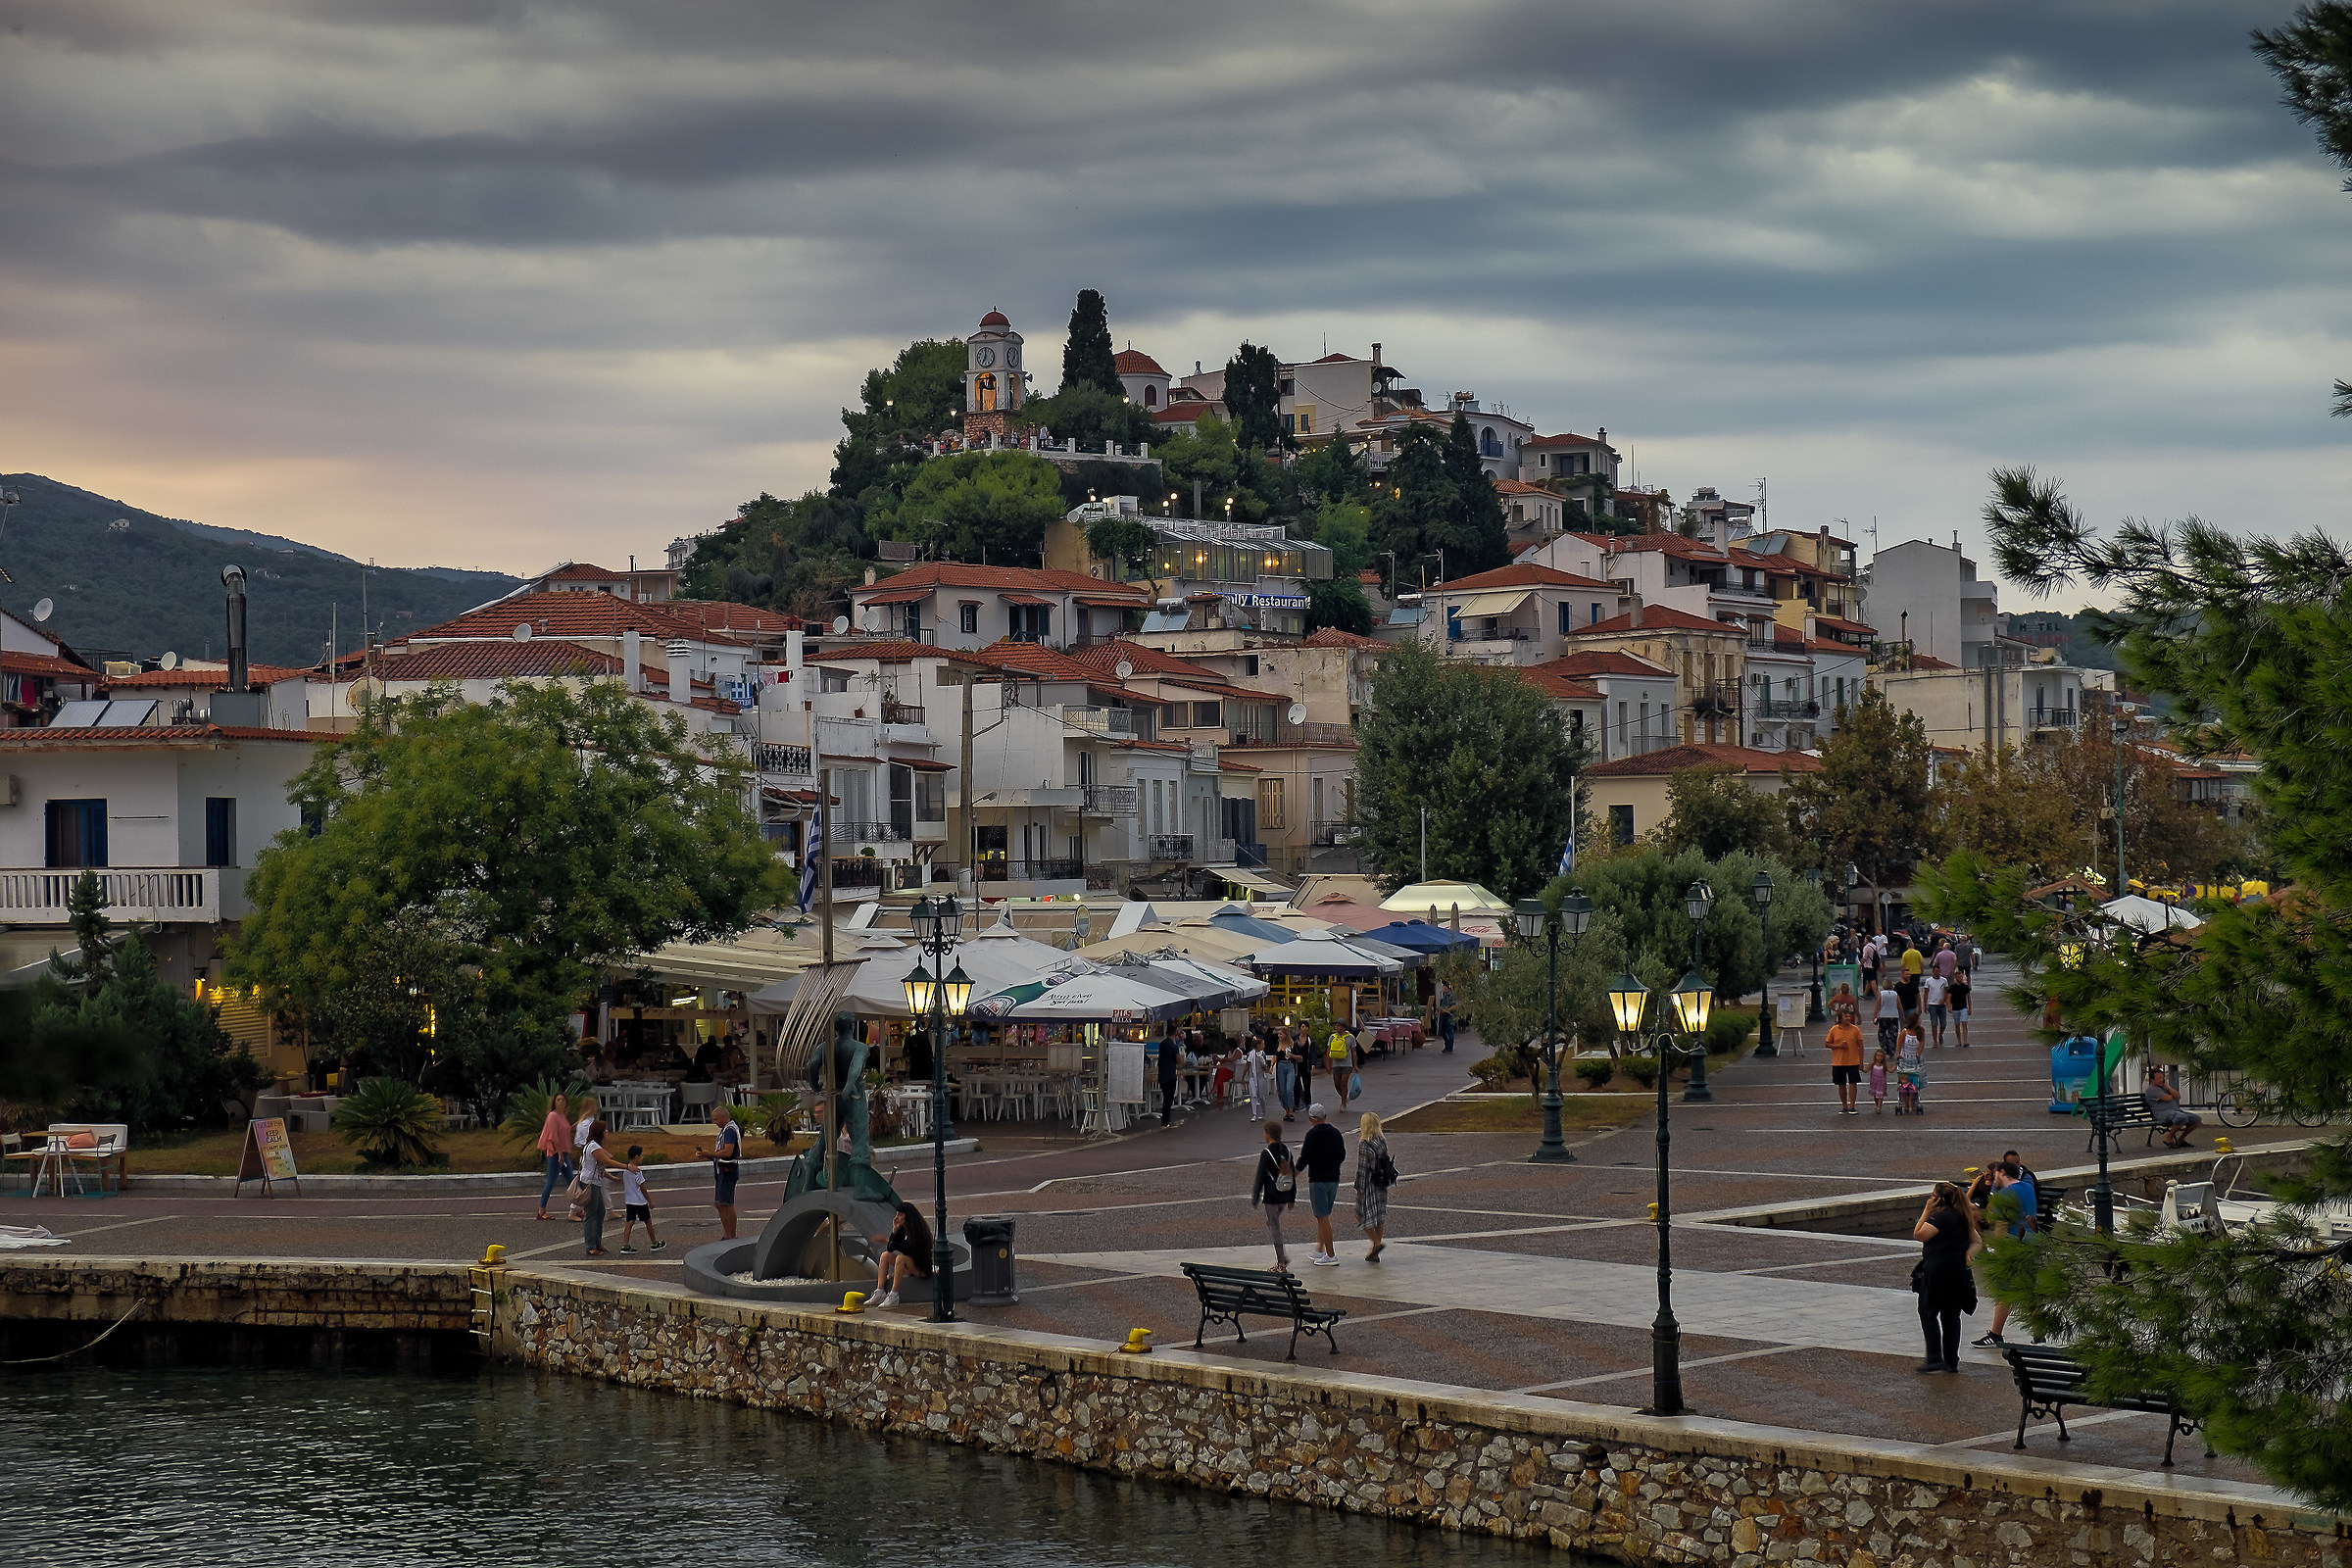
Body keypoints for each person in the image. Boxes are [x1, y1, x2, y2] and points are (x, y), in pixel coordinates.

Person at [1910, 1181, 1982, 1373]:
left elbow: (1919, 1234)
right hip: (1958, 1273)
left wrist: (1926, 1211)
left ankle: (1934, 1358)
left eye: (1933, 1195)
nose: (1930, 1198)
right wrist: (1969, 1253)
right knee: (1951, 1317)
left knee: (1928, 1312)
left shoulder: (1940, 1218)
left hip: (1937, 1272)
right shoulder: (1962, 1216)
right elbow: (1977, 1241)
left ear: (1939, 1198)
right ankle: (1951, 1361)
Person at [1972, 1161, 2040, 1348]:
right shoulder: (2027, 1186)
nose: (1993, 1180)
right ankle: (2040, 1334)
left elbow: (2001, 1225)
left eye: (1995, 1175)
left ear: (2002, 1172)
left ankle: (1995, 1334)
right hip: (2032, 1240)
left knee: (2004, 1291)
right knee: (2031, 1288)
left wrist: (1997, 1251)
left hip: (2013, 1242)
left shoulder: (2005, 1194)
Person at [1298, 1102, 1347, 1266]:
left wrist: (1293, 1174)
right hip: (1334, 1178)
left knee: (1322, 1216)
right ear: (1325, 1117)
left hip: (1318, 1179)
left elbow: (1304, 1158)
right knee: (1324, 1215)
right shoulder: (1335, 1133)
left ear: (1311, 1119)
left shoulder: (1312, 1135)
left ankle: (1331, 1254)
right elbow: (1342, 1155)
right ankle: (1320, 1248)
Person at [1250, 1121, 1298, 1271]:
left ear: (1268, 1134)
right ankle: (1282, 1257)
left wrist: (1256, 1196)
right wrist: (1292, 1197)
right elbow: (1292, 1174)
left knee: (1275, 1228)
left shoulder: (1266, 1153)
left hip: (1272, 1195)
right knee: (1272, 1222)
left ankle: (1281, 1262)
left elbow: (1261, 1176)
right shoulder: (1287, 1151)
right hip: (1285, 1193)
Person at [869, 1201, 933, 1308]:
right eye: (897, 1214)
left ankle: (894, 1295)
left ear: (908, 1217)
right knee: (885, 1255)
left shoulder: (918, 1231)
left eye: (900, 1214)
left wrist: (886, 1240)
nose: (897, 1217)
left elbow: (908, 1249)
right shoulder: (903, 1229)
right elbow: (890, 1248)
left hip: (921, 1267)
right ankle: (880, 1291)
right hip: (911, 1265)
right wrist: (894, 1231)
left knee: (900, 1258)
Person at [701, 1102, 743, 1239]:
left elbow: (727, 1152)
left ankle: (731, 1235)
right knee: (719, 1204)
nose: (715, 1123)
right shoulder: (725, 1130)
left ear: (724, 1117)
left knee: (727, 1203)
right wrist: (708, 1155)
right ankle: (727, 1233)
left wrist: (711, 1154)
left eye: (716, 1119)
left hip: (727, 1171)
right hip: (721, 1171)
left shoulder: (730, 1130)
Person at [578, 1118, 617, 1257]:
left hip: (595, 1182)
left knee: (600, 1212)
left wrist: (612, 1178)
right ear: (600, 1132)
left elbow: (600, 1168)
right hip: (589, 1183)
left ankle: (597, 1242)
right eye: (605, 1129)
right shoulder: (593, 1147)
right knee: (591, 1214)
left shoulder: (596, 1146)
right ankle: (590, 1246)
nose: (607, 1132)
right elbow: (606, 1161)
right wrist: (627, 1167)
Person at [615, 1146, 665, 1254]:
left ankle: (626, 1244)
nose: (642, 1158)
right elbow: (642, 1187)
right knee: (648, 1221)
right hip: (640, 1201)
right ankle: (654, 1242)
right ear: (636, 1156)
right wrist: (650, 1200)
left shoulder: (626, 1170)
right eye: (641, 1156)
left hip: (629, 1201)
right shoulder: (637, 1171)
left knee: (629, 1222)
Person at [2143, 1065, 2203, 1149]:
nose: (2161, 1079)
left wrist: (2168, 1088)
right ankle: (2169, 1138)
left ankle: (2181, 1139)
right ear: (2152, 1080)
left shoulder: (2165, 1088)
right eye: (2158, 1078)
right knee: (2181, 1117)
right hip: (2162, 1113)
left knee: (2196, 1119)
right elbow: (2168, 1098)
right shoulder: (2151, 1090)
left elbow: (2178, 1096)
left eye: (2162, 1077)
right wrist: (2170, 1093)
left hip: (2175, 1111)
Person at [535, 1091, 573, 1221]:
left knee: (572, 1181)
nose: (561, 1102)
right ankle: (541, 1210)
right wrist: (560, 1154)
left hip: (563, 1153)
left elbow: (564, 1131)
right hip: (555, 1154)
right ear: (554, 1102)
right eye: (558, 1099)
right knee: (551, 1182)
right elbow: (553, 1136)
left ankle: (576, 1208)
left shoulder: (562, 1115)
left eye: (563, 1099)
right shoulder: (552, 1116)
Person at [1824, 1009, 1865, 1115]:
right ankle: (1844, 1106)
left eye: (1849, 1016)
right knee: (1841, 1084)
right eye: (1845, 1016)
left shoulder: (1855, 1030)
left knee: (1853, 1083)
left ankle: (1852, 1106)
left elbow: (1861, 1045)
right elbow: (1827, 1044)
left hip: (1853, 1061)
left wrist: (1861, 1061)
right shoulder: (1834, 1030)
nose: (1848, 1018)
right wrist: (1838, 1046)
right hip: (1838, 1062)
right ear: (1840, 1018)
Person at [569, 1097, 601, 1220]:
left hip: (588, 1152)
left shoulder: (584, 1122)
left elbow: (577, 1142)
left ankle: (577, 1209)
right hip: (590, 1154)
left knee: (592, 1183)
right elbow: (580, 1141)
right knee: (586, 1184)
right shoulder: (586, 1124)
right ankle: (573, 1209)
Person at [1895, 1026, 1925, 1114]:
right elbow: (1899, 1044)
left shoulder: (1920, 1031)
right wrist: (1898, 1055)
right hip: (1904, 1064)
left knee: (1914, 1088)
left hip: (1914, 1066)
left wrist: (1918, 1054)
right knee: (1903, 1088)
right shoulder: (1904, 1032)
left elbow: (1922, 1043)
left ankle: (1912, 1103)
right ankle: (1905, 1104)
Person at [1873, 974, 1903, 1059]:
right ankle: (1892, 1050)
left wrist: (1875, 1015)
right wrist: (1902, 1015)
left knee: (1882, 1033)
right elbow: (1899, 1005)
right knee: (1893, 1034)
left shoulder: (1881, 994)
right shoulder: (1895, 994)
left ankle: (1885, 1047)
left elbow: (1878, 1005)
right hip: (1894, 1016)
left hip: (1883, 1016)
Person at [1155, 1026, 1181, 1127]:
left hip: (1162, 1073)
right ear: (1175, 1033)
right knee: (1168, 1098)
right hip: (1170, 1074)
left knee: (1166, 1097)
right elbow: (1179, 1060)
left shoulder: (1162, 1044)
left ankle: (1165, 1119)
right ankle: (1166, 1120)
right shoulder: (1174, 1046)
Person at [1274, 1029, 1301, 1122]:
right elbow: (1275, 1056)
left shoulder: (1293, 1044)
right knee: (1283, 1090)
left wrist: (1292, 1056)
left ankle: (1291, 1111)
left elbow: (1300, 1057)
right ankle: (1286, 1111)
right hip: (1281, 1066)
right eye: (1278, 1034)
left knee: (1289, 1089)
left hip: (1290, 1066)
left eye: (1281, 1034)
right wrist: (1271, 1066)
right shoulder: (1278, 1044)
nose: (1279, 1036)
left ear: (1285, 1035)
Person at [1923, 969, 1949, 1050]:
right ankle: (1935, 1041)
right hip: (1932, 1004)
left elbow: (1947, 991)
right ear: (1933, 972)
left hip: (1941, 1005)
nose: (1938, 973)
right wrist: (1925, 1005)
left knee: (1943, 1023)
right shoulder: (1928, 981)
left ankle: (1940, 1034)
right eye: (1936, 971)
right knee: (1934, 1023)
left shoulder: (1944, 980)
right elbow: (1926, 993)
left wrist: (1944, 1000)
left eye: (1939, 971)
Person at [1326, 1026, 1352, 1107]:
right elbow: (1328, 1051)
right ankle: (1343, 1097)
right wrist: (1328, 1065)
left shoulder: (1350, 1037)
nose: (1337, 1027)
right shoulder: (1332, 1037)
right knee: (1337, 1083)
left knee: (1344, 1082)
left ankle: (1343, 1103)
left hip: (1347, 1064)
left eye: (1338, 1026)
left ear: (1344, 1027)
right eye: (1336, 1026)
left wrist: (1355, 1065)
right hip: (1336, 1064)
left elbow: (1354, 1052)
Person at [1948, 968, 1972, 1048]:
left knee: (1964, 1023)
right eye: (1959, 977)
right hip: (1955, 1008)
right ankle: (1959, 1040)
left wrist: (1970, 1008)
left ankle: (1965, 1040)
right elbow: (1948, 997)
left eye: (1962, 977)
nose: (1961, 979)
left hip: (1963, 1007)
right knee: (1957, 1024)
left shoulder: (1965, 987)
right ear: (1955, 977)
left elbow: (1968, 997)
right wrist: (1949, 1006)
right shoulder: (1952, 987)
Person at [1437, 980, 1457, 1054]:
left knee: (1450, 1031)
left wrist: (1446, 1010)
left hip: (1450, 1016)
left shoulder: (1452, 996)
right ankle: (1447, 1044)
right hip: (1444, 1016)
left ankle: (1450, 1047)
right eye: (1443, 988)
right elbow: (1442, 1005)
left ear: (1449, 989)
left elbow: (1454, 1006)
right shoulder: (1444, 996)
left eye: (1445, 988)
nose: (1443, 990)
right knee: (1442, 1031)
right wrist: (1440, 1009)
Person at [1869, 1046, 1890, 1113]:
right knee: (1875, 1096)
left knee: (1880, 1095)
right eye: (1878, 1056)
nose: (1879, 1058)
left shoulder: (1884, 1065)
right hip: (1874, 1082)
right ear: (1875, 1056)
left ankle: (1879, 1107)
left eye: (1881, 1056)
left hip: (1881, 1082)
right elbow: (1866, 1069)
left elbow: (1890, 1070)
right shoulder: (1872, 1064)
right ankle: (1877, 1105)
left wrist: (1895, 1067)